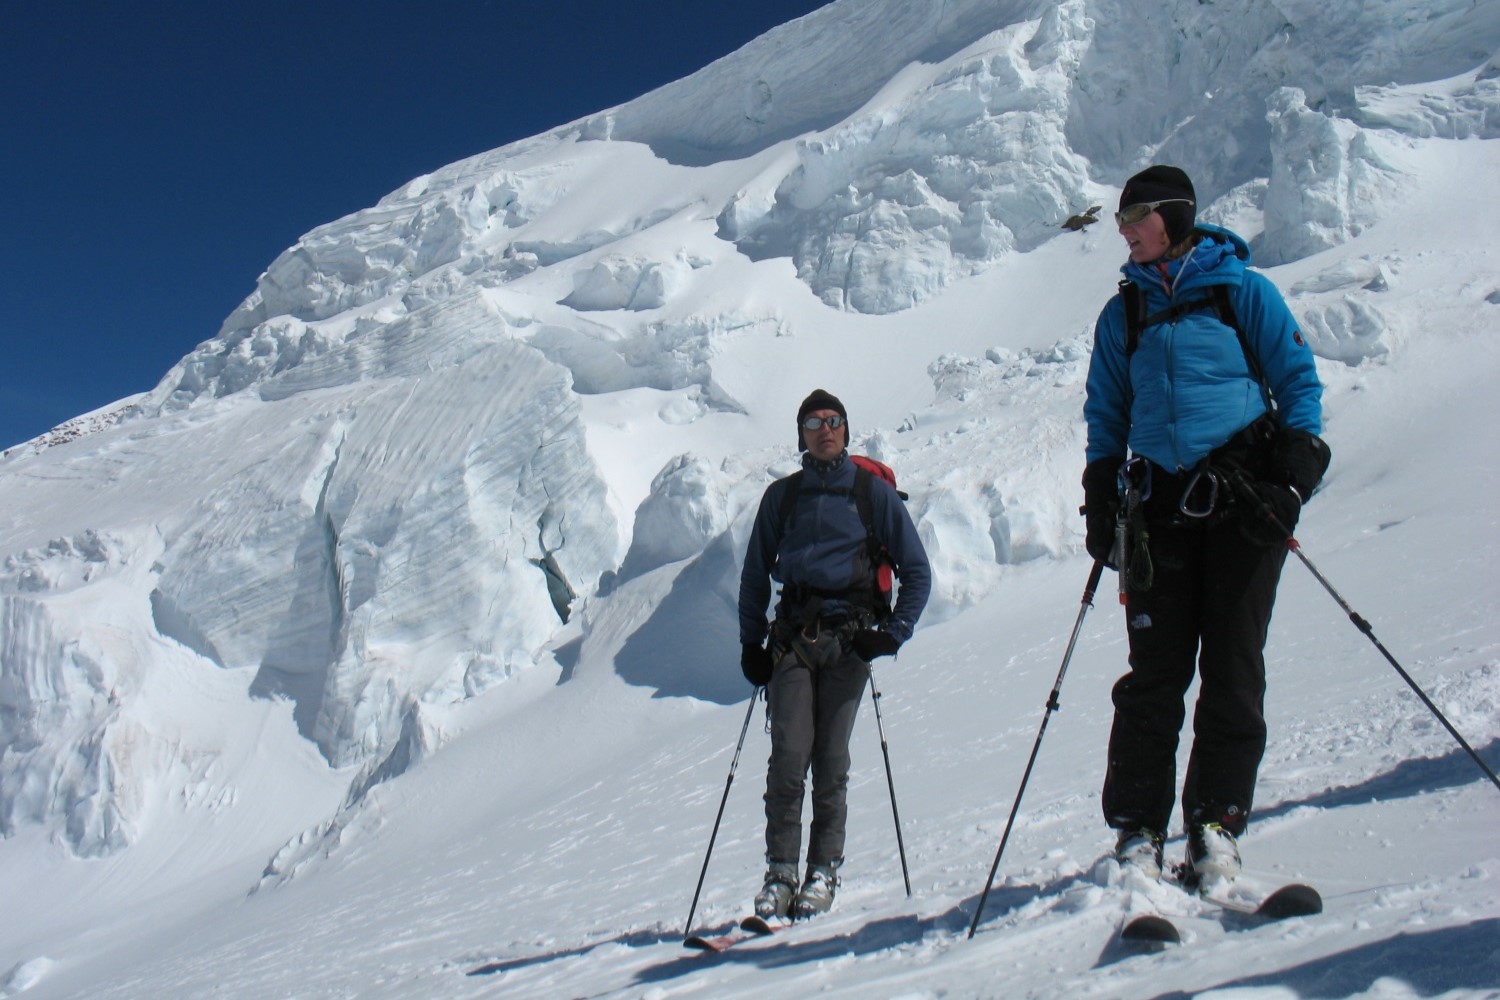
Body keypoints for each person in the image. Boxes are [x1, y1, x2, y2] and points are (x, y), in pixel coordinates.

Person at [1081, 166, 1331, 886]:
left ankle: (1215, 825)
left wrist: (1293, 477)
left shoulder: (1240, 291)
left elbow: (1297, 381)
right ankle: (1138, 831)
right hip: (1158, 512)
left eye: (1134, 215)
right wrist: (1101, 492)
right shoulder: (1121, 314)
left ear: (1173, 214)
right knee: (1154, 677)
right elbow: (1107, 413)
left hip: (1244, 504)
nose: (1123, 229)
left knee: (1233, 664)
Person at [738, 388, 932, 919]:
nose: (825, 429)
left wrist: (892, 632)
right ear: (800, 434)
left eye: (834, 420)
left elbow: (917, 570)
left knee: (830, 761)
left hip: (849, 640)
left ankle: (821, 872)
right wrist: (749, 643)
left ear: (846, 430)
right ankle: (781, 873)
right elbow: (755, 575)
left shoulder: (872, 495)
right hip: (794, 640)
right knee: (789, 756)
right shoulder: (783, 497)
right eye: (813, 422)